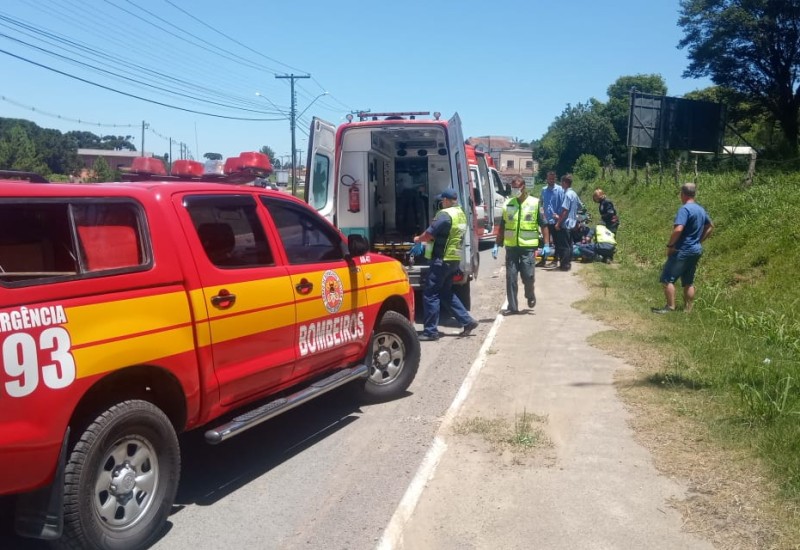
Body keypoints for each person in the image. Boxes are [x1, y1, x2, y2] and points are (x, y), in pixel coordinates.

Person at [413, 188, 479, 340]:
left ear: (448, 201)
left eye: (443, 200)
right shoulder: (461, 214)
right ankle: (467, 321)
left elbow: (429, 234)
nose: (441, 202)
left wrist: (418, 239)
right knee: (445, 293)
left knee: (430, 294)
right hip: (454, 260)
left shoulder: (445, 215)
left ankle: (431, 332)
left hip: (441, 260)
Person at [652, 182, 714, 314]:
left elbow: (678, 229)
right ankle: (688, 310)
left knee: (667, 278)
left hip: (682, 249)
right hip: (695, 250)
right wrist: (699, 240)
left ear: (683, 194)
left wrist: (670, 245)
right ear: (694, 194)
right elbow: (710, 226)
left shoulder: (685, 209)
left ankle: (670, 307)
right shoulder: (700, 209)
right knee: (688, 281)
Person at [492, 176, 543, 314]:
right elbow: (503, 226)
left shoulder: (534, 203)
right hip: (511, 247)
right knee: (511, 277)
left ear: (523, 187)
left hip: (528, 247)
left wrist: (547, 245)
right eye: (512, 188)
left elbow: (543, 224)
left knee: (528, 276)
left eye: (517, 187)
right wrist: (497, 243)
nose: (514, 190)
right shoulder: (508, 203)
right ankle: (513, 307)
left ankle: (530, 294)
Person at [552, 174, 580, 271]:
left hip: (566, 224)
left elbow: (565, 211)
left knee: (564, 246)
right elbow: (580, 206)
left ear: (565, 183)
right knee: (570, 245)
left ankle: (564, 265)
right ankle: (568, 264)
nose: (561, 184)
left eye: (562, 182)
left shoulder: (567, 195)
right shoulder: (574, 194)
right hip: (573, 224)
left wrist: (558, 222)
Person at [537, 170, 563, 267]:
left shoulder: (559, 190)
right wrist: (542, 213)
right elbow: (541, 203)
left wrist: (559, 217)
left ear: (555, 179)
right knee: (545, 241)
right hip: (546, 220)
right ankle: (543, 260)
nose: (551, 180)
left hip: (556, 220)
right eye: (549, 179)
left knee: (556, 241)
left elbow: (562, 204)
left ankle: (555, 261)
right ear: (547, 179)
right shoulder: (544, 190)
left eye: (553, 179)